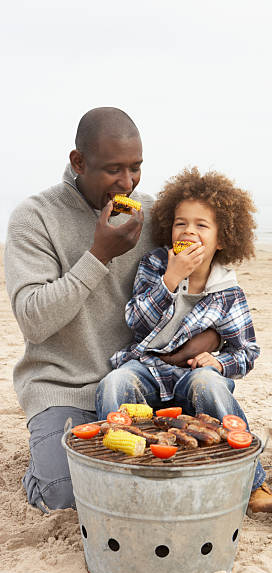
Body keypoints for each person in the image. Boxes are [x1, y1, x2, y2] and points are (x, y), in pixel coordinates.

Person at [4, 107, 218, 513]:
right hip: (65, 387)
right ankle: (41, 468)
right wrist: (99, 254)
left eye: (136, 168)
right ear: (78, 162)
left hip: (139, 383)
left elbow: (208, 292)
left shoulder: (154, 214)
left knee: (189, 473)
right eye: (113, 170)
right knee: (65, 500)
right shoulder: (34, 219)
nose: (127, 183)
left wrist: (207, 341)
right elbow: (33, 320)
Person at [95, 167, 272, 513]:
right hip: (147, 368)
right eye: (181, 223)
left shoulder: (228, 292)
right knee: (115, 382)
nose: (189, 231)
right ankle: (119, 481)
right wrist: (170, 278)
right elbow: (136, 321)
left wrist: (220, 361)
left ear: (222, 239)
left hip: (192, 376)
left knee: (210, 383)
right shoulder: (154, 265)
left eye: (201, 225)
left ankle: (251, 482)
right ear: (170, 229)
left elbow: (247, 351)